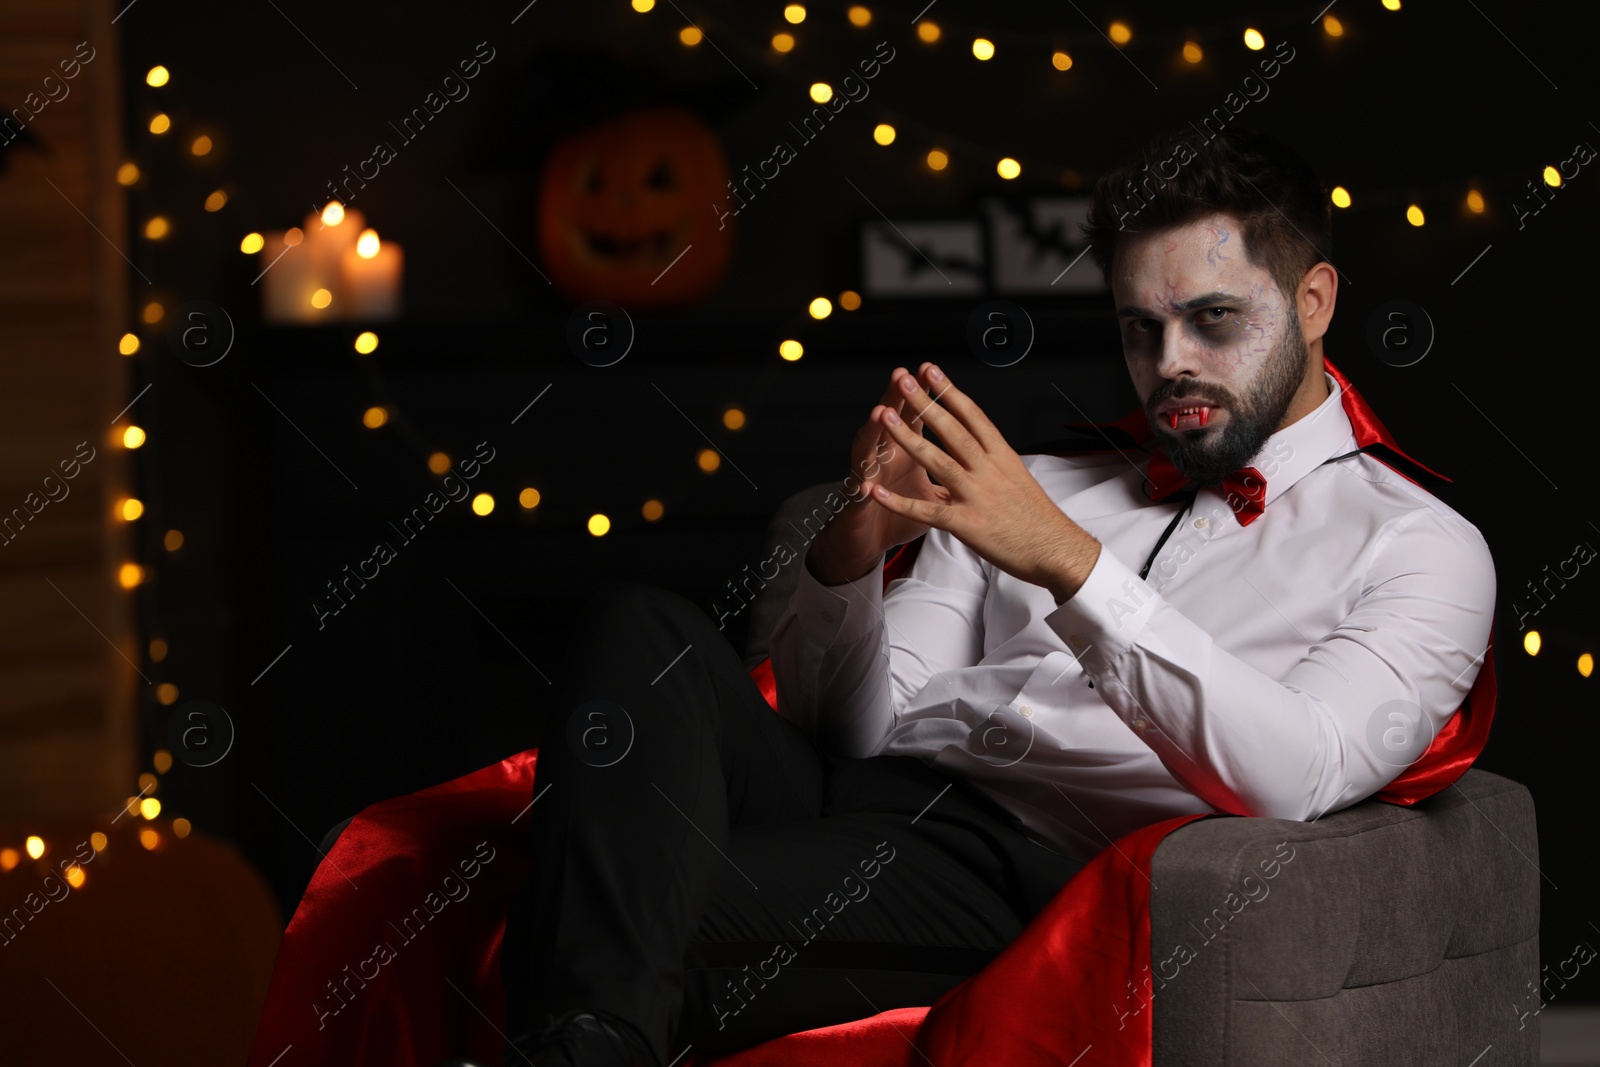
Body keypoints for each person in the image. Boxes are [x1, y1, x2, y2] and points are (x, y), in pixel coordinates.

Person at [490, 124, 1496, 1067]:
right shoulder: (1042, 479)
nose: (1170, 362)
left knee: (584, 907)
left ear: (1313, 301)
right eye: (1140, 327)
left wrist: (1066, 561)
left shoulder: (1419, 547)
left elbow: (1298, 775)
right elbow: (863, 730)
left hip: (1027, 874)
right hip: (861, 801)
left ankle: (598, 1025)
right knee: (643, 628)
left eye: (1213, 319)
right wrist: (851, 555)